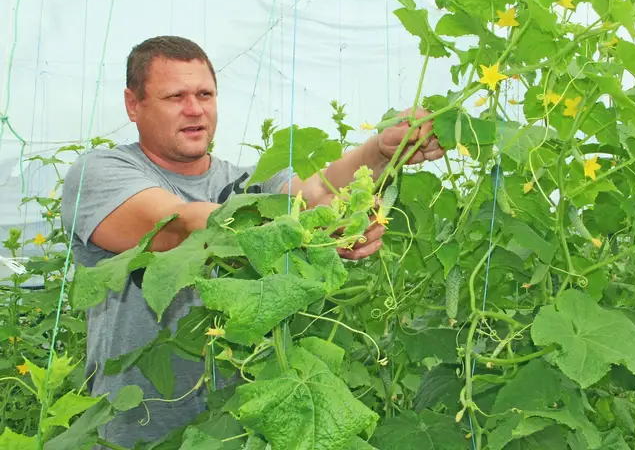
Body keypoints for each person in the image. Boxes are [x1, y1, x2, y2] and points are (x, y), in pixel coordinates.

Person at [60, 35, 445, 447]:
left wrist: (379, 150)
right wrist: (309, 228)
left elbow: (315, 193)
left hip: (239, 430)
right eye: (175, 96)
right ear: (133, 104)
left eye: (205, 94)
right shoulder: (100, 173)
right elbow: (178, 225)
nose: (195, 109)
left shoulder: (249, 181)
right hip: (139, 430)